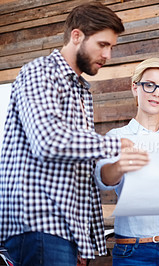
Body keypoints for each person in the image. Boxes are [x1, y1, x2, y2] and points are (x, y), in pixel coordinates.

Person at [0, 3, 150, 265]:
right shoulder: (41, 72)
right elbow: (48, 140)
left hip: (63, 229)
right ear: (77, 36)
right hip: (38, 221)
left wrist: (83, 240)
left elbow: (76, 167)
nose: (108, 55)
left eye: (111, 47)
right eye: (102, 45)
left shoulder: (80, 89)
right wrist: (113, 144)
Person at [94, 57, 159, 266]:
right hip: (134, 252)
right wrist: (119, 166)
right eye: (149, 85)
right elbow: (103, 179)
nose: (156, 93)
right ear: (135, 87)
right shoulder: (117, 137)